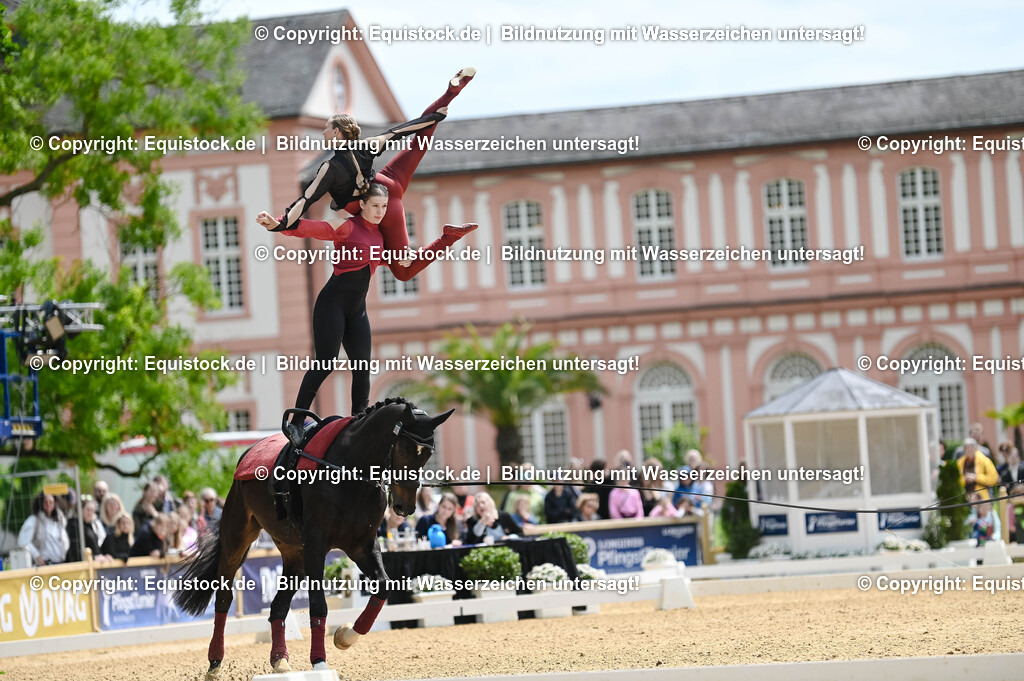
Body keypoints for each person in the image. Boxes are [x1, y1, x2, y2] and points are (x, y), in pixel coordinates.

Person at [259, 67, 478, 443]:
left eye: (328, 129)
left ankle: (356, 421)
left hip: (368, 254)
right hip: (381, 205)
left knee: (365, 359)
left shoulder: (367, 219)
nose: (324, 133)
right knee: (419, 141)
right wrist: (279, 225)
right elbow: (405, 132)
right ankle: (298, 419)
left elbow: (311, 202)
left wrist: (282, 222)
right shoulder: (359, 203)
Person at [17, 493, 70, 566]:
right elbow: (23, 541)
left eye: (51, 502)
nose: (48, 504)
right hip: (45, 564)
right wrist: (37, 555)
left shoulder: (59, 519)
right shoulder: (34, 520)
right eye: (46, 502)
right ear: (41, 503)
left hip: (60, 563)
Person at [66, 498, 107, 562]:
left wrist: (103, 556)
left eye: (93, 510)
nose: (90, 513)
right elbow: (75, 549)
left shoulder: (90, 525)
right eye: (88, 510)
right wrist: (94, 557)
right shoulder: (74, 525)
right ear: (80, 509)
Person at [608, 451, 644, 519]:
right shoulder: (613, 493)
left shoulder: (635, 492)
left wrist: (638, 520)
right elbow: (613, 510)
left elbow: (639, 508)